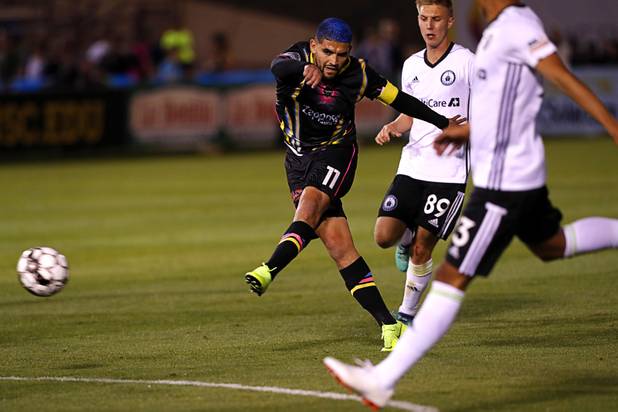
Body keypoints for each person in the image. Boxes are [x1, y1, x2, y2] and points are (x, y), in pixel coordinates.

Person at [323, 1, 618, 409]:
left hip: (503, 185)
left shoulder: (514, 26)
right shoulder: (496, 30)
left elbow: (561, 77)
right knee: (553, 245)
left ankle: (383, 378)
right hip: (513, 174)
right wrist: (464, 133)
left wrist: (614, 129)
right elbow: (503, 111)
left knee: (450, 277)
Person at [245, 17, 460, 352]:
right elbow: (277, 67)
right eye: (327, 52)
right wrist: (304, 68)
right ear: (314, 45)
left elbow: (400, 100)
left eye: (341, 54)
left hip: (337, 153)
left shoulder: (358, 74)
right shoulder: (295, 58)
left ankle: (269, 268)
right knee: (339, 248)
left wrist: (443, 122)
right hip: (297, 161)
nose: (334, 61)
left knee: (311, 207)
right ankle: (390, 326)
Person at [373, 0, 474, 326]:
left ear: (450, 21)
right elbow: (409, 115)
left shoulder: (468, 63)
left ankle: (406, 315)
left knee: (422, 248)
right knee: (384, 236)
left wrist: (467, 130)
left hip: (449, 170)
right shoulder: (411, 64)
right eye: (423, 18)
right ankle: (405, 238)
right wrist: (392, 126)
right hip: (413, 165)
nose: (429, 25)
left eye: (436, 19)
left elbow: (487, 112)